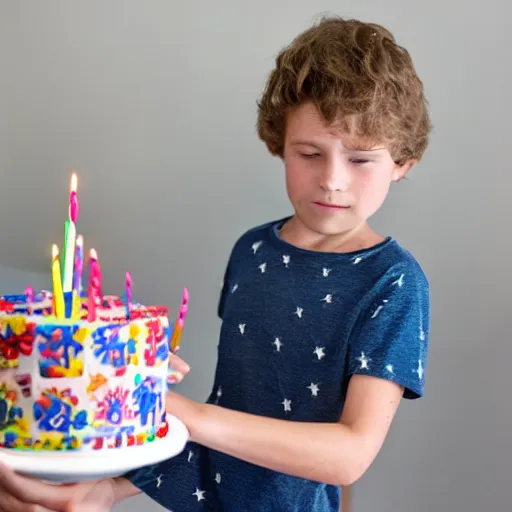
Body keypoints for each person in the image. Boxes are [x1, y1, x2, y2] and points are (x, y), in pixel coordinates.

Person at [0, 15, 432, 512]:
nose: (333, 179)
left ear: (401, 163)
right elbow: (231, 420)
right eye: (310, 153)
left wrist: (185, 412)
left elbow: (349, 456)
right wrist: (109, 487)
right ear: (279, 144)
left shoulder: (394, 283)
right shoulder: (252, 252)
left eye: (360, 160)